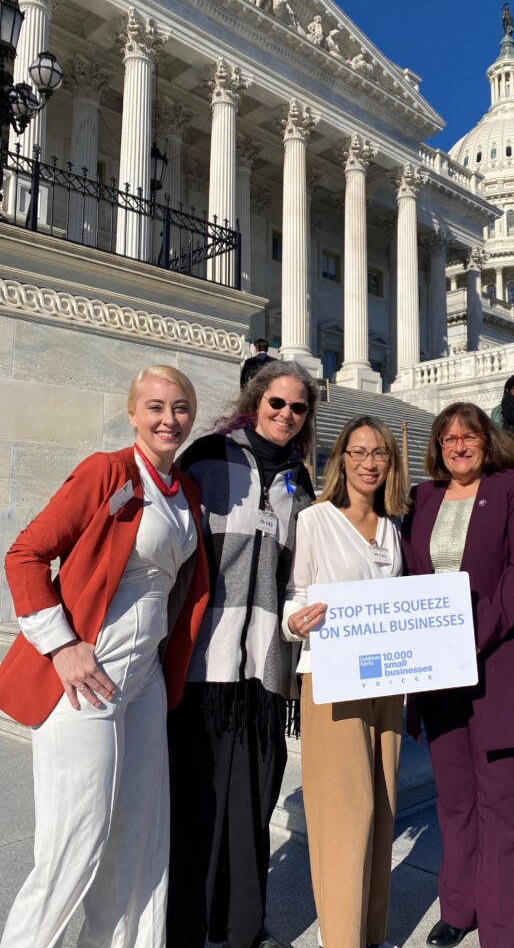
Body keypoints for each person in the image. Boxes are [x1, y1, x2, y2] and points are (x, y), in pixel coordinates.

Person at [0, 365, 208, 948]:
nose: (169, 419)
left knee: (140, 840)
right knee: (76, 840)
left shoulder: (185, 490)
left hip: (142, 683)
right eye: (156, 407)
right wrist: (62, 646)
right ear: (133, 413)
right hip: (86, 677)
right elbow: (25, 555)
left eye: (181, 408)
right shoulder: (107, 470)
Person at [166, 359, 317, 948]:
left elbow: (301, 569)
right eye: (276, 403)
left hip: (266, 666)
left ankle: (241, 926)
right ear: (255, 402)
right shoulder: (208, 457)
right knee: (198, 801)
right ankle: (187, 925)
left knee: (255, 800)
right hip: (207, 661)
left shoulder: (299, 482)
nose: (285, 414)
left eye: (297, 408)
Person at [401, 403, 514, 948]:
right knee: (455, 799)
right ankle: (459, 906)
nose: (458, 446)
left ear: (487, 442)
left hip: (499, 663)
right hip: (439, 674)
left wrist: (470, 633)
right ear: (437, 448)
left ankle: (505, 929)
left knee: (505, 803)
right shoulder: (424, 498)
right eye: (447, 439)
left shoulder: (513, 488)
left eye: (469, 436)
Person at [282, 415, 410, 948]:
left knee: (381, 806)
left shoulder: (392, 529)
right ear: (340, 461)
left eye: (379, 453)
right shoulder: (314, 520)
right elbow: (294, 595)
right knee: (343, 812)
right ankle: (339, 937)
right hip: (331, 677)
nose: (369, 463)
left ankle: (370, 929)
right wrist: (295, 622)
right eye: (357, 453)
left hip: (387, 684)